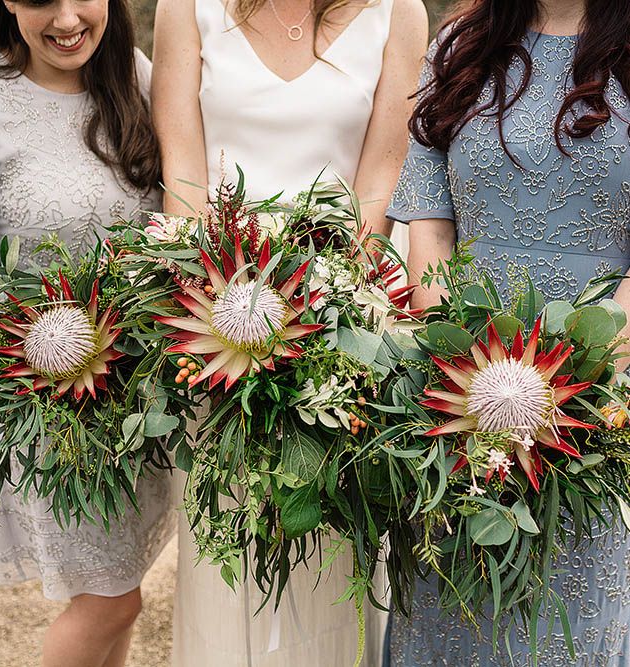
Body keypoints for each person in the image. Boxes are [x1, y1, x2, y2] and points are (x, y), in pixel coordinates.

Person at [151, 0, 427, 664]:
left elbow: (380, 175)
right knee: (223, 550)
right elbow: (183, 164)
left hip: (338, 333)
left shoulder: (400, 13)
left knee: (328, 549)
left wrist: (328, 308)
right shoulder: (184, 7)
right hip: (217, 323)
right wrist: (211, 292)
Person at [0, 2, 174, 666]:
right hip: (49, 410)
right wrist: (33, 369)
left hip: (140, 411)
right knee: (113, 599)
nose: (64, 19)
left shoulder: (134, 78)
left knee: (119, 586)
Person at [383, 0, 630, 664]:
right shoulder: (460, 45)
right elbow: (430, 223)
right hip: (462, 396)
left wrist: (584, 369)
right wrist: (451, 365)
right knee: (451, 602)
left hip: (599, 395)